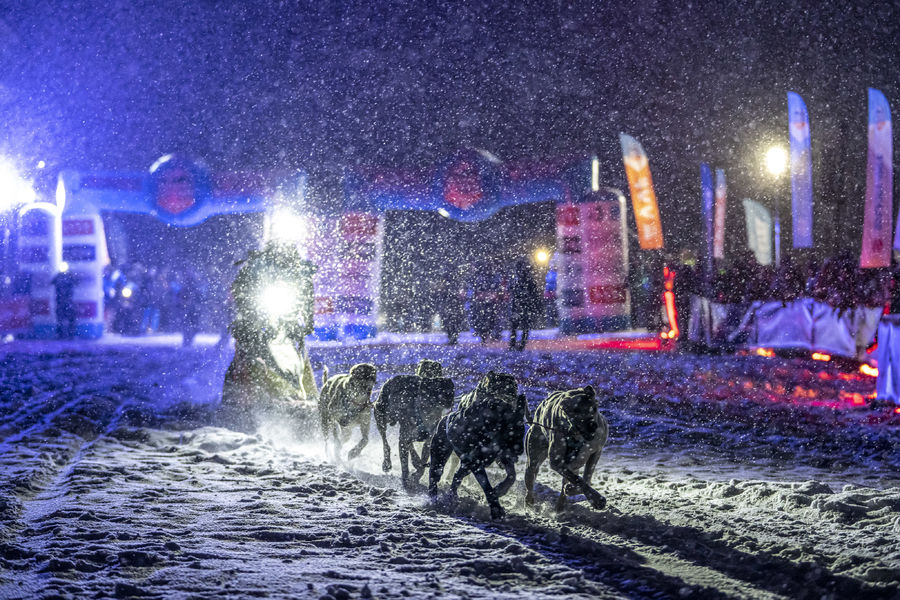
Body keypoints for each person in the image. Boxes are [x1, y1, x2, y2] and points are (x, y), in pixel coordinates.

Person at [508, 257, 542, 351]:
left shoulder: (517, 279)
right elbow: (535, 293)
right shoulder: (528, 279)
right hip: (524, 305)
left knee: (517, 327)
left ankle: (514, 344)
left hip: (519, 305)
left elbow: (511, 290)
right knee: (523, 327)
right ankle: (519, 344)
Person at [52, 266, 79, 338]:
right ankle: (62, 335)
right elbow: (52, 282)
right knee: (61, 319)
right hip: (63, 302)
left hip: (66, 302)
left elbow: (76, 282)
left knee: (67, 319)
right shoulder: (59, 276)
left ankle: (69, 335)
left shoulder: (68, 276)